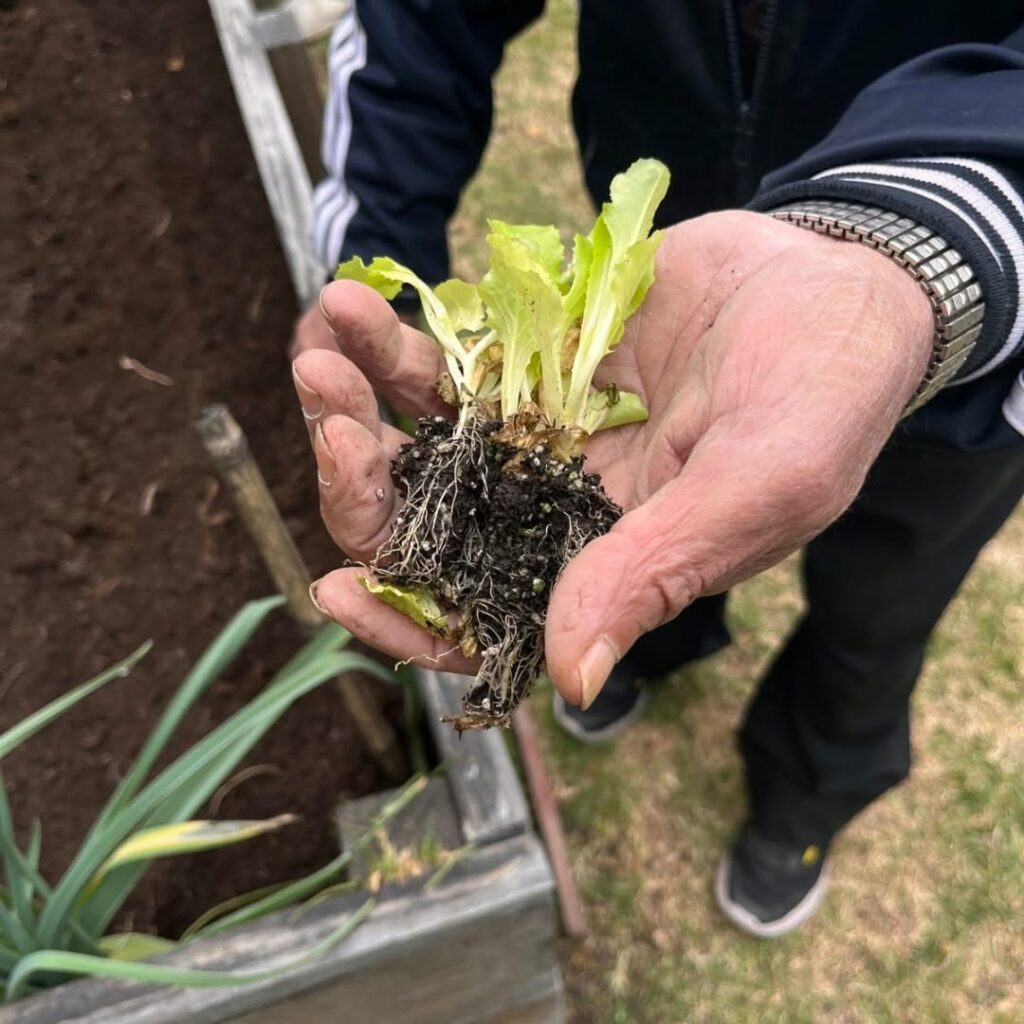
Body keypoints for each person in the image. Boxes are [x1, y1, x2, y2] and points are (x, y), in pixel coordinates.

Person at [290, 1, 1024, 938]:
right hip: (683, 300)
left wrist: (921, 250)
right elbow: (419, 19)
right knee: (651, 517)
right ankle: (641, 646)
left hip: (972, 338)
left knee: (882, 604)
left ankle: (808, 789)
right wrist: (373, 238)